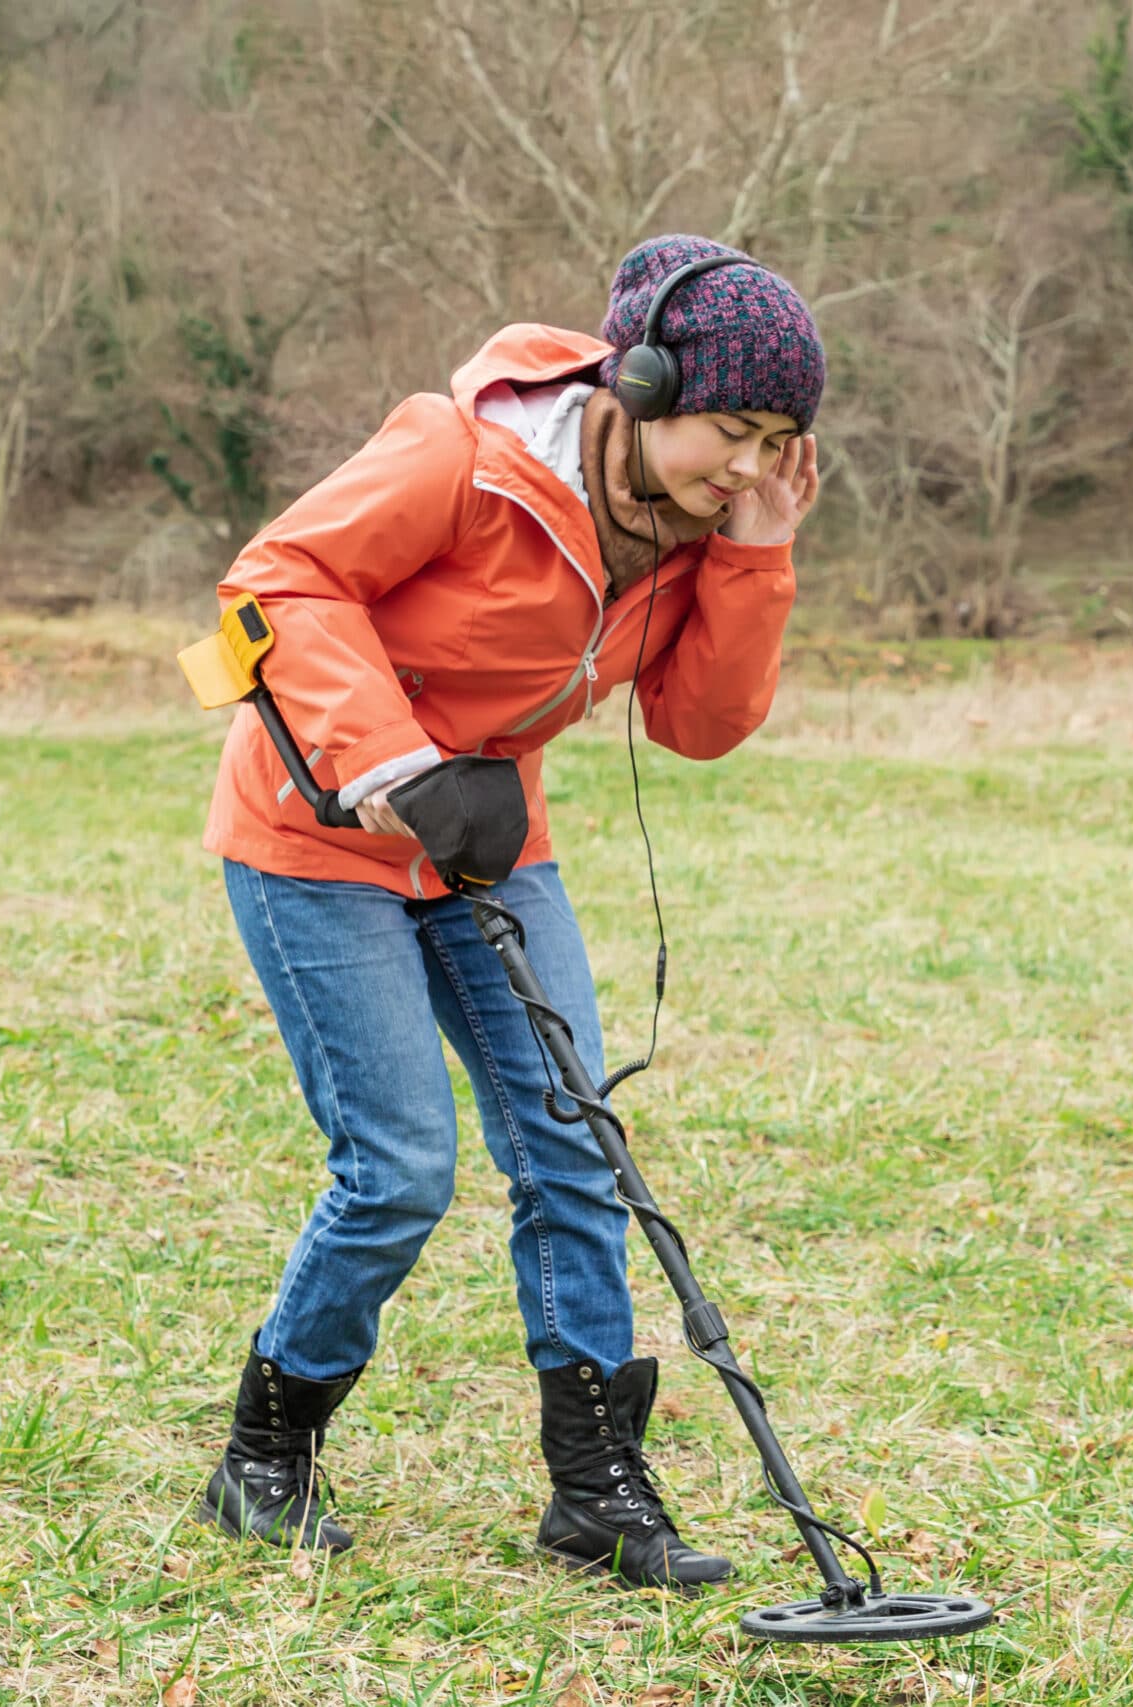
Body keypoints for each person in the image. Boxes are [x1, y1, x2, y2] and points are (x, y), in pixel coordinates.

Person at [192, 234, 824, 1591]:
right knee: (401, 1170)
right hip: (323, 840)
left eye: (780, 440)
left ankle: (596, 1490)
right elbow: (278, 578)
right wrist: (393, 762)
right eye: (733, 429)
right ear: (647, 386)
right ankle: (265, 1452)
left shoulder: (701, 533)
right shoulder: (460, 459)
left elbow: (700, 726)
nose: (752, 466)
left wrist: (758, 558)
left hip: (490, 850)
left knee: (574, 1143)